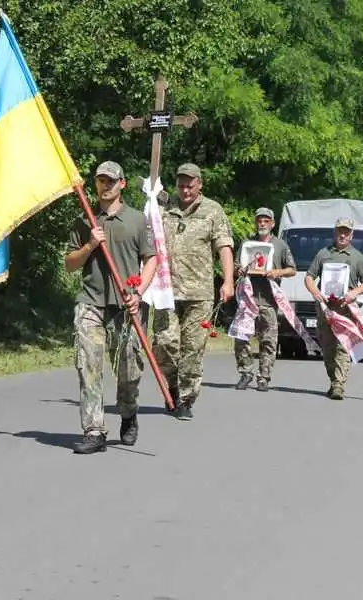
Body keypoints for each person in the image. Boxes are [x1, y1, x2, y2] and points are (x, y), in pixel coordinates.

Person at [64, 161, 157, 454]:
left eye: (110, 181)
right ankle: (94, 430)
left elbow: (151, 259)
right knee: (89, 365)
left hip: (126, 305)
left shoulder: (137, 220)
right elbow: (70, 264)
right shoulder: (86, 219)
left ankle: (128, 413)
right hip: (91, 302)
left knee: (129, 370)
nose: (105, 186)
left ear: (122, 184)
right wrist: (90, 245)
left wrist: (139, 292)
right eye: (100, 181)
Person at [153, 163, 235, 420]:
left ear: (199, 184)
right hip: (167, 290)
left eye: (190, 185)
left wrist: (228, 281)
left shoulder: (213, 210)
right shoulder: (164, 207)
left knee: (193, 348)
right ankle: (173, 388)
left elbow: (224, 246)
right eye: (181, 185)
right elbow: (148, 231)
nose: (185, 190)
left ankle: (186, 399)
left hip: (199, 293)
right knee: (164, 343)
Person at [303, 217, 363, 400]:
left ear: (351, 234)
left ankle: (338, 385)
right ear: (335, 232)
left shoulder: (357, 257)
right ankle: (333, 378)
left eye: (346, 231)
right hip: (325, 308)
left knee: (342, 346)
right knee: (327, 347)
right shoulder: (323, 253)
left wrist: (354, 292)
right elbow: (309, 277)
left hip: (345, 308)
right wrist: (315, 292)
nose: (343, 234)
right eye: (340, 231)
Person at [233, 207, 296, 392]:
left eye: (266, 221)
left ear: (272, 224)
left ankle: (264, 377)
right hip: (248, 299)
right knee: (241, 338)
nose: (262, 223)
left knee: (268, 341)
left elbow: (292, 269)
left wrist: (277, 272)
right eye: (260, 220)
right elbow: (237, 266)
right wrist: (240, 270)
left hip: (269, 301)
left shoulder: (280, 246)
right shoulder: (247, 244)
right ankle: (245, 373)